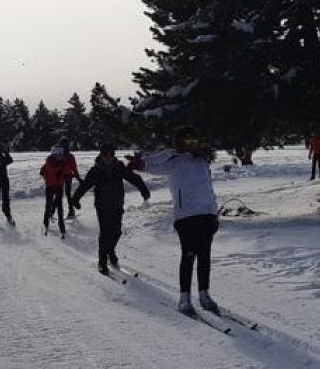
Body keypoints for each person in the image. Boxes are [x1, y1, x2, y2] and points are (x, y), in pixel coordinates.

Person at [129, 126, 220, 315]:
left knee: (204, 256)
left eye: (194, 142)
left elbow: (209, 189)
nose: (192, 146)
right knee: (188, 255)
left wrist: (214, 213)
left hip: (206, 214)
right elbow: (148, 165)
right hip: (185, 215)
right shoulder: (173, 161)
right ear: (179, 143)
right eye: (187, 142)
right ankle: (184, 298)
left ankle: (204, 294)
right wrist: (141, 162)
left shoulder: (203, 161)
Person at [70, 143, 151, 275]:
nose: (109, 157)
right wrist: (75, 199)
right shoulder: (95, 171)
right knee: (105, 233)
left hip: (117, 204)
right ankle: (102, 262)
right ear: (101, 155)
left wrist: (144, 190)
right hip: (102, 206)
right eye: (106, 154)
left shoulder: (119, 167)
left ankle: (110, 251)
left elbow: (133, 177)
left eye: (112, 154)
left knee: (117, 232)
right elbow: (84, 185)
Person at [40, 145, 75, 238]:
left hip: (52, 186)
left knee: (50, 205)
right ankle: (59, 226)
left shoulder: (50, 162)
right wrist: (68, 176)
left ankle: (47, 223)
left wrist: (46, 177)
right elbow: (69, 174)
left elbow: (42, 172)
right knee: (57, 207)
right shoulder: (61, 163)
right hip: (55, 187)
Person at [58, 137, 84, 219]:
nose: (64, 147)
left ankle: (71, 211)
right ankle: (69, 211)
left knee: (66, 194)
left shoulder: (69, 156)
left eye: (64, 146)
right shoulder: (60, 155)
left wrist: (78, 177)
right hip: (61, 177)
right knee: (62, 194)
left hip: (67, 177)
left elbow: (74, 167)